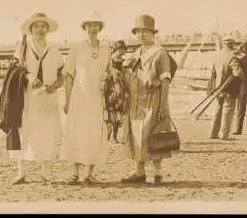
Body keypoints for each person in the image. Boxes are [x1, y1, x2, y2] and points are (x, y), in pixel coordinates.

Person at [121, 14, 192, 184]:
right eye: (138, 32)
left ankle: (158, 173)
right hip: (135, 101)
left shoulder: (160, 53)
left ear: (153, 33)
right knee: (136, 136)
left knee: (154, 136)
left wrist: (162, 107)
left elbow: (165, 81)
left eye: (145, 31)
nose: (141, 35)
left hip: (153, 99)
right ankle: (139, 172)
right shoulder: (136, 53)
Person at [7, 13, 65, 185]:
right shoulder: (23, 48)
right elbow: (14, 72)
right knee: (24, 133)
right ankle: (21, 172)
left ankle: (46, 172)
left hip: (49, 99)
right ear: (31, 30)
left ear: (48, 30)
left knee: (49, 133)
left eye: (43, 26)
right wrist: (29, 77)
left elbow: (61, 75)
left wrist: (54, 86)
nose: (40, 29)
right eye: (36, 26)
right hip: (27, 99)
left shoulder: (54, 50)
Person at [60, 10, 112, 184]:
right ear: (85, 27)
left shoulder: (106, 48)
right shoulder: (77, 47)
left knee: (94, 133)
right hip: (79, 96)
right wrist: (67, 100)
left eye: (96, 25)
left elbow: (109, 71)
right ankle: (74, 173)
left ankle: (89, 173)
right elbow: (68, 75)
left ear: (100, 27)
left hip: (97, 98)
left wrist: (107, 78)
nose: (92, 28)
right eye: (89, 25)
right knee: (76, 132)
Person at [209, 35, 244, 140]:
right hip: (229, 88)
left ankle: (213, 134)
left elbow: (213, 73)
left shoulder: (216, 55)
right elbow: (238, 73)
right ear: (232, 44)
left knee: (217, 109)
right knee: (227, 110)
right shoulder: (232, 56)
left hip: (217, 88)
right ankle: (224, 135)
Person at [102, 40, 130, 143]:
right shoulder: (109, 59)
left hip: (120, 88)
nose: (122, 51)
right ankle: (107, 134)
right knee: (109, 110)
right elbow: (104, 71)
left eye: (123, 49)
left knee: (118, 111)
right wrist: (112, 72)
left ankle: (114, 136)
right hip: (110, 88)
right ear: (116, 49)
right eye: (120, 49)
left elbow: (125, 74)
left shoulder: (123, 61)